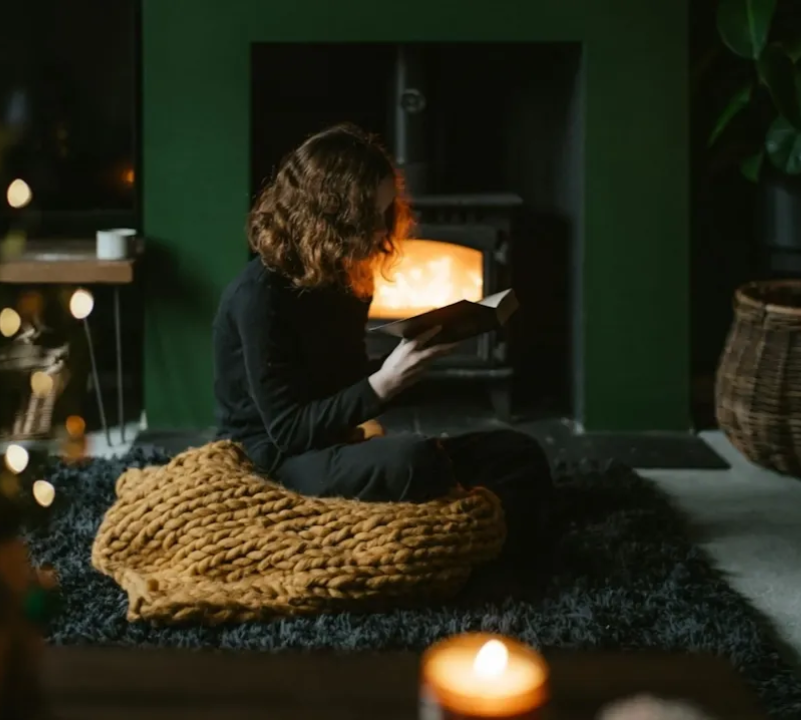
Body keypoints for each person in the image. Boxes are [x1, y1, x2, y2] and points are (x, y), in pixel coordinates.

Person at [212, 123, 553, 564]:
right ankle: (476, 532)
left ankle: (479, 532)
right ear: (329, 215)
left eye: (386, 212)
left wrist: (409, 360)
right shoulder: (259, 297)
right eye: (369, 216)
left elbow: (347, 384)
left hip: (336, 442)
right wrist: (384, 383)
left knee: (519, 451)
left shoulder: (347, 278)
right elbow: (290, 432)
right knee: (414, 460)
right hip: (274, 459)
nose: (380, 230)